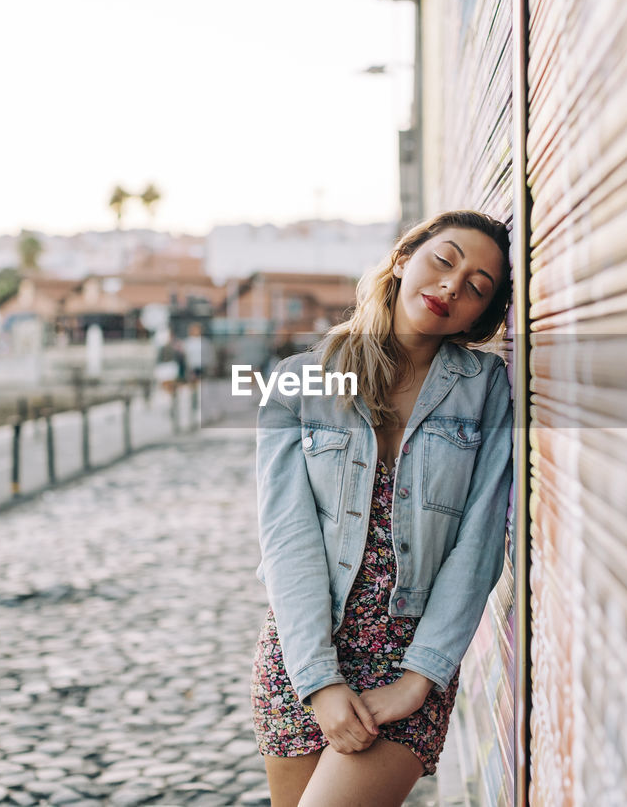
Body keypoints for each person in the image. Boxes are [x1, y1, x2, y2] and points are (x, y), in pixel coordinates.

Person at [251, 211, 514, 806]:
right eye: (444, 261)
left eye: (477, 286)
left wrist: (419, 679)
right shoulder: (297, 383)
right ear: (402, 260)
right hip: (303, 651)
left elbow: (477, 545)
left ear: (483, 314)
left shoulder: (486, 389)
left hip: (409, 659)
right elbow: (287, 539)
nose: (452, 286)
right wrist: (318, 682)